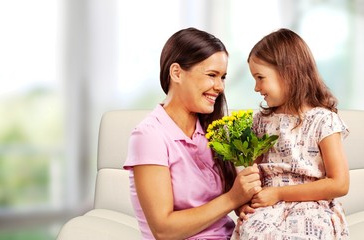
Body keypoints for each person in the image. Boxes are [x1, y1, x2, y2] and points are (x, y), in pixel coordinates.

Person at [123, 27, 262, 240]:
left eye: (223, 77)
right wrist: (233, 199)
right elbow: (164, 230)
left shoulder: (213, 131)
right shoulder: (149, 136)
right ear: (177, 73)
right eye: (211, 75)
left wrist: (244, 205)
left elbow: (238, 200)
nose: (219, 86)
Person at [232, 28, 350, 239]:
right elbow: (253, 173)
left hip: (311, 206)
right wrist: (243, 203)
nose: (256, 87)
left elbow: (339, 183)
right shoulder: (261, 121)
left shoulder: (323, 120)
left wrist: (278, 194)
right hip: (267, 208)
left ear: (289, 73)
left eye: (260, 77)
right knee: (252, 232)